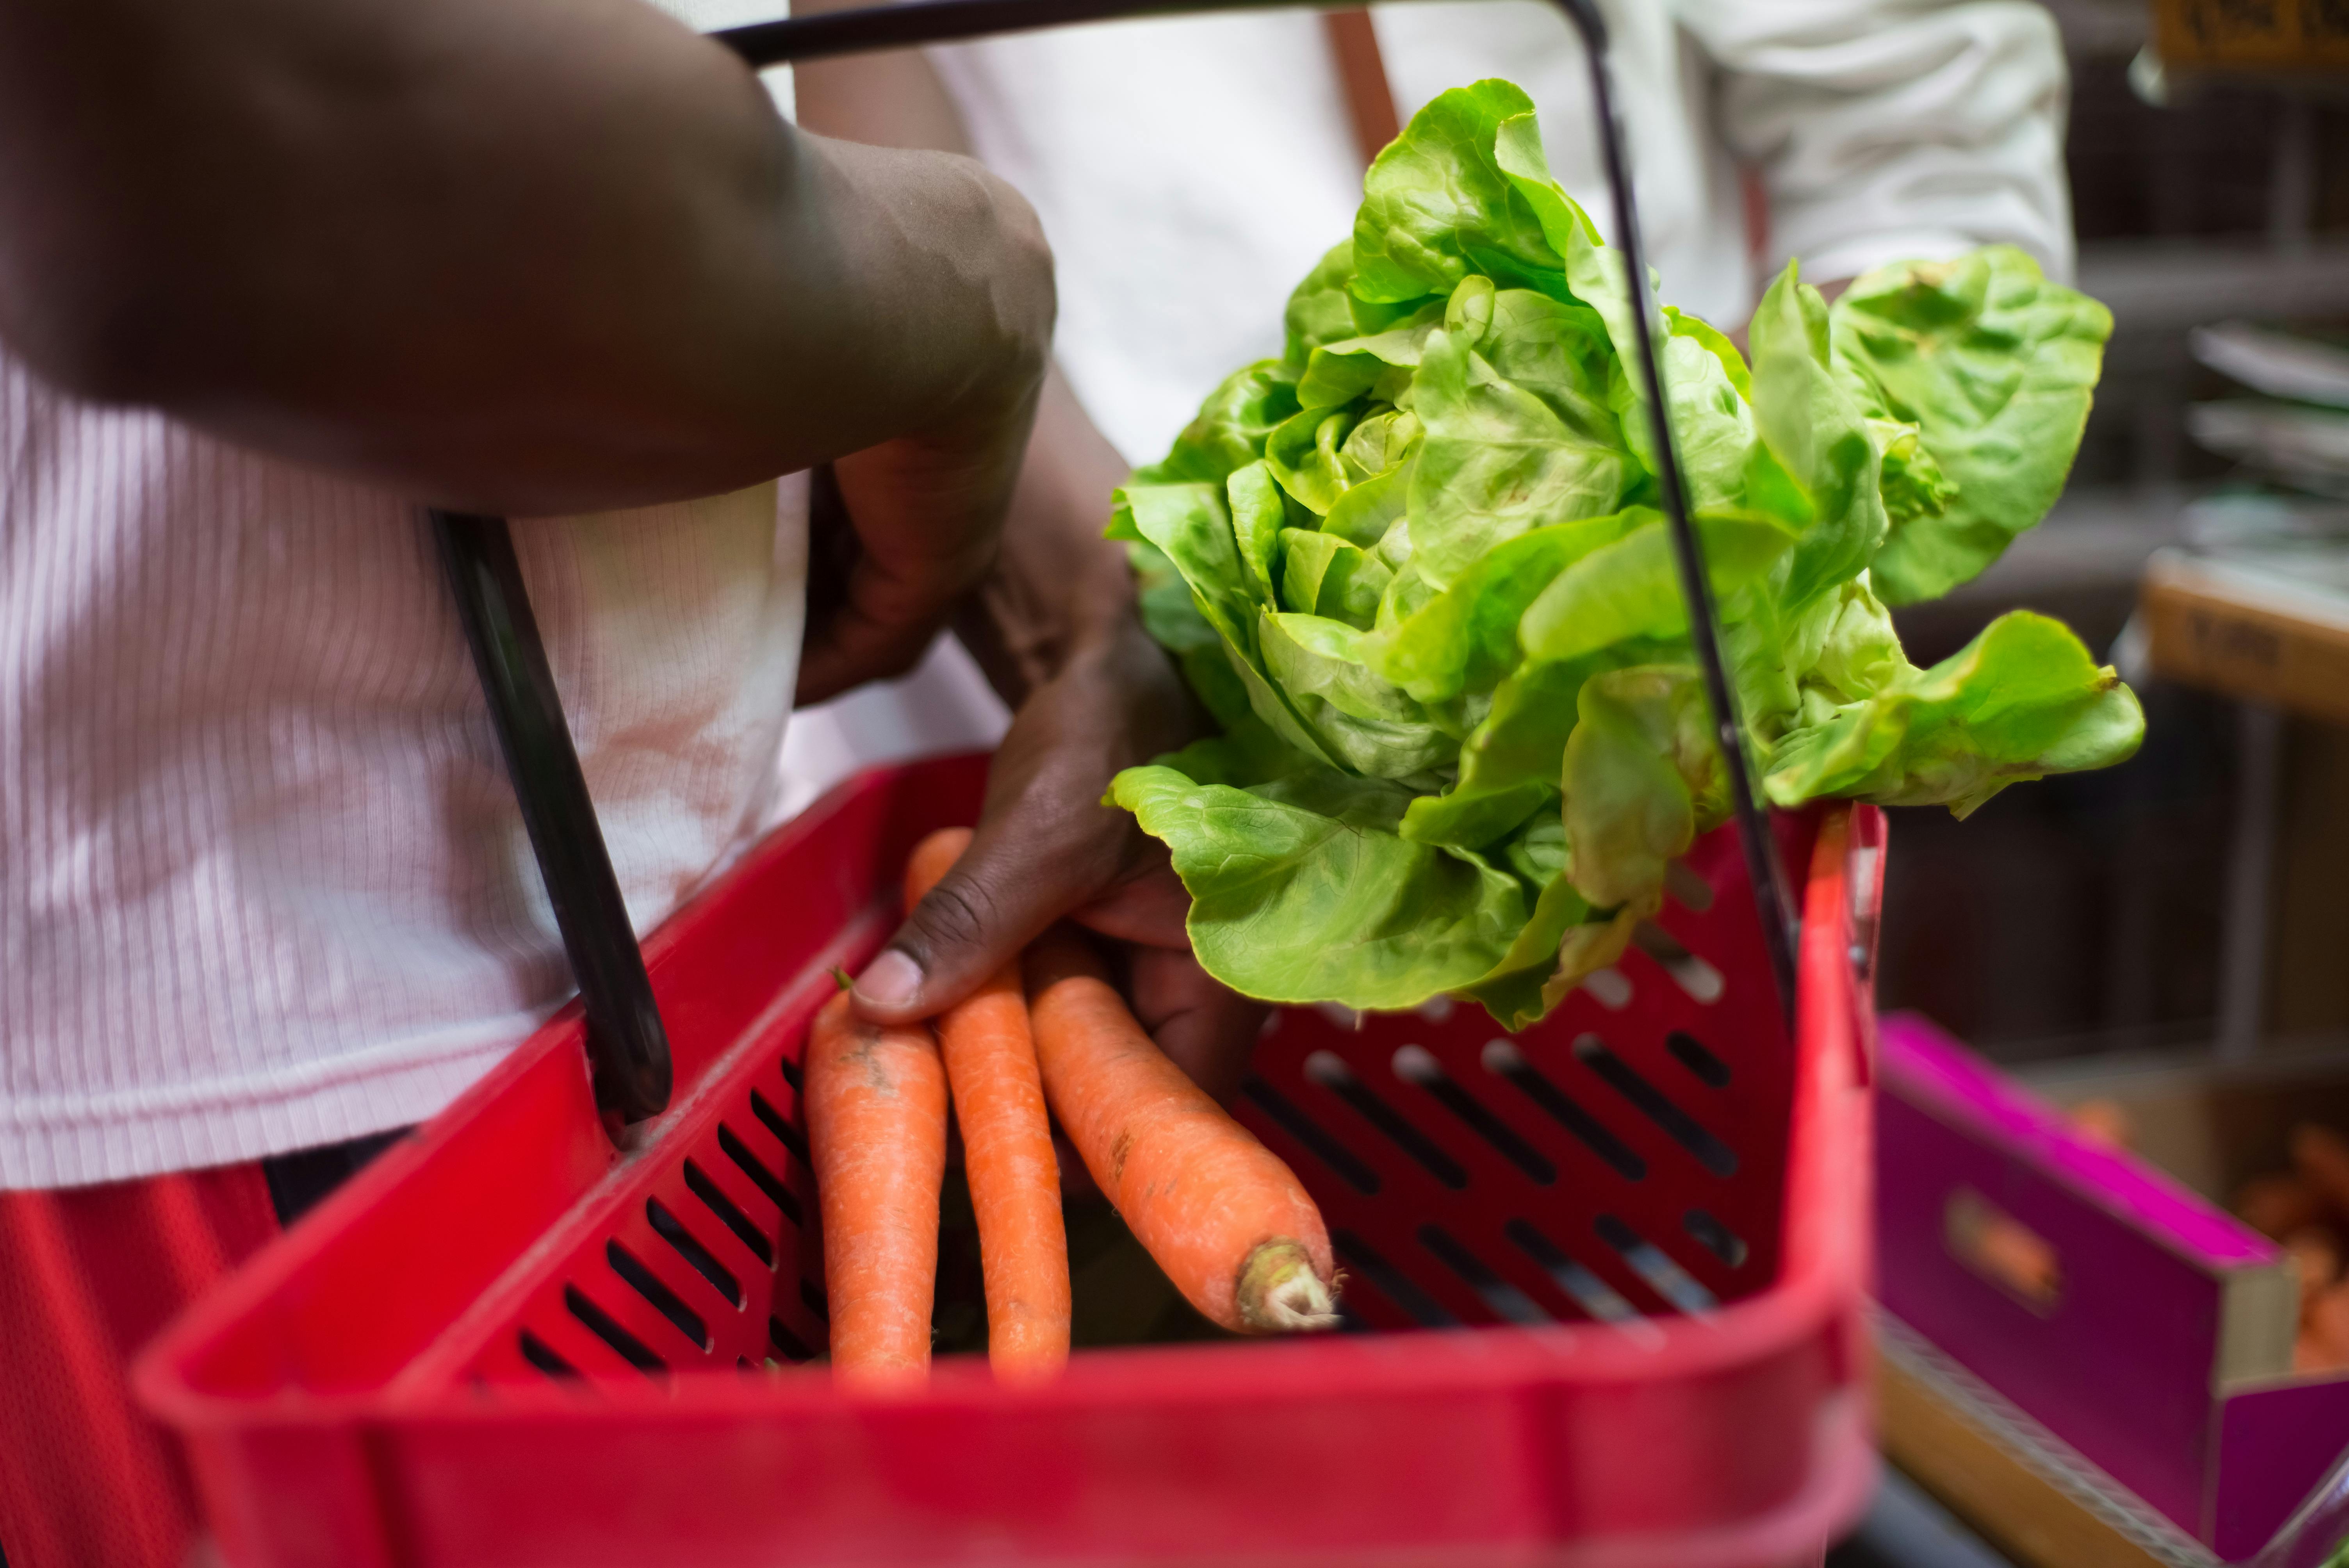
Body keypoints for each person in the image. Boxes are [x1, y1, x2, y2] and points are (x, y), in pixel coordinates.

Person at [0, 0, 1219, 1560]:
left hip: (649, 981)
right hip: (184, 1080)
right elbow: (238, 152)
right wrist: (973, 295)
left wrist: (1082, 600)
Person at [783, 0, 2080, 1011]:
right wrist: (1093, 606)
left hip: (1660, 847)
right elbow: (806, 71)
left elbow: (1929, 171)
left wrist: (1695, 587)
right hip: (991, 688)